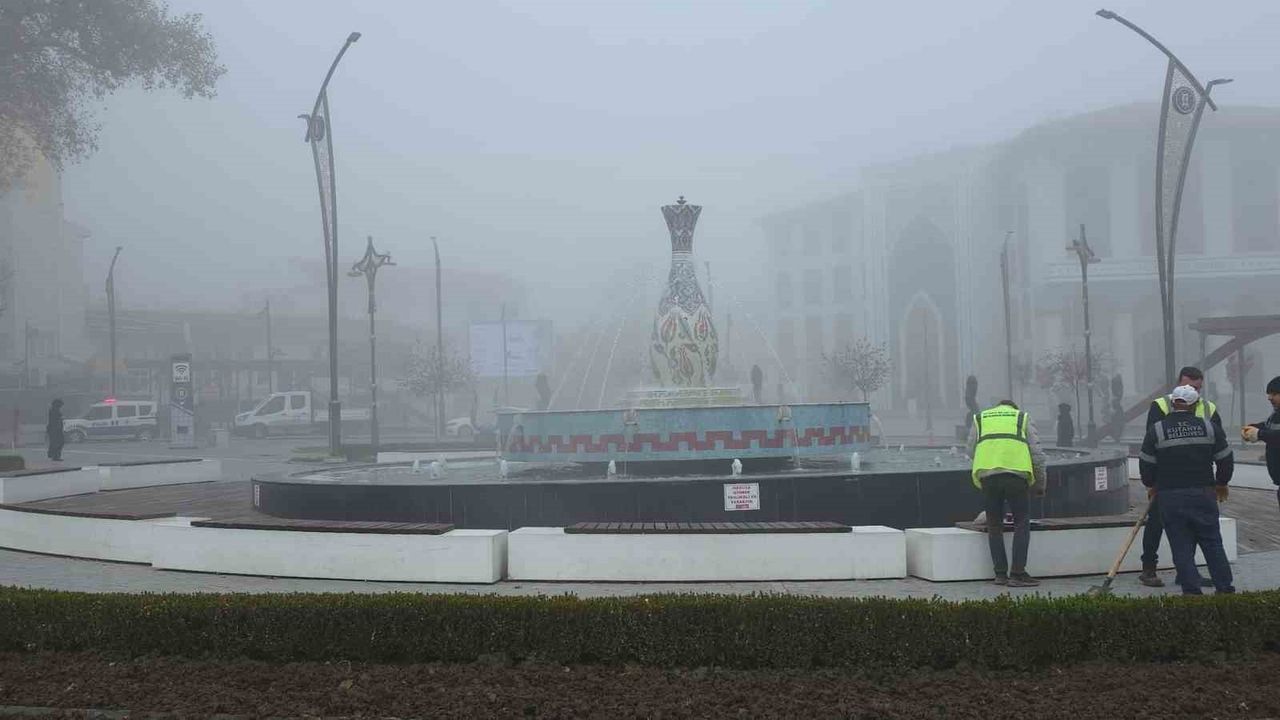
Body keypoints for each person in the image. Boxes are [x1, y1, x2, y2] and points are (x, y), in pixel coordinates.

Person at [1138, 384, 1234, 595]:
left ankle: (1192, 593)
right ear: (1195, 404)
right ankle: (1225, 589)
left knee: (1180, 545)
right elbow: (1225, 458)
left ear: (1173, 403)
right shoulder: (1209, 428)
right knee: (1212, 543)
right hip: (1204, 494)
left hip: (1171, 497)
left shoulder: (1158, 430)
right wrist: (1221, 483)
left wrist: (1152, 485)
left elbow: (1145, 463)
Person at [967, 399, 1047, 587]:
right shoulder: (1022, 417)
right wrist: (1040, 484)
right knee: (1021, 522)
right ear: (1013, 408)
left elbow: (970, 450)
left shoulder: (981, 418)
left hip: (988, 477)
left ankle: (1000, 574)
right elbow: (1037, 455)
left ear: (997, 407)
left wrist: (992, 455)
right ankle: (1018, 574)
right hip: (1015, 477)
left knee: (994, 525)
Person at [1241, 375, 1280, 503]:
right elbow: (1268, 427)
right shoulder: (1275, 415)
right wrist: (1252, 428)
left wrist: (1259, 434)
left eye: (1274, 394)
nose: (1269, 398)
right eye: (1269, 394)